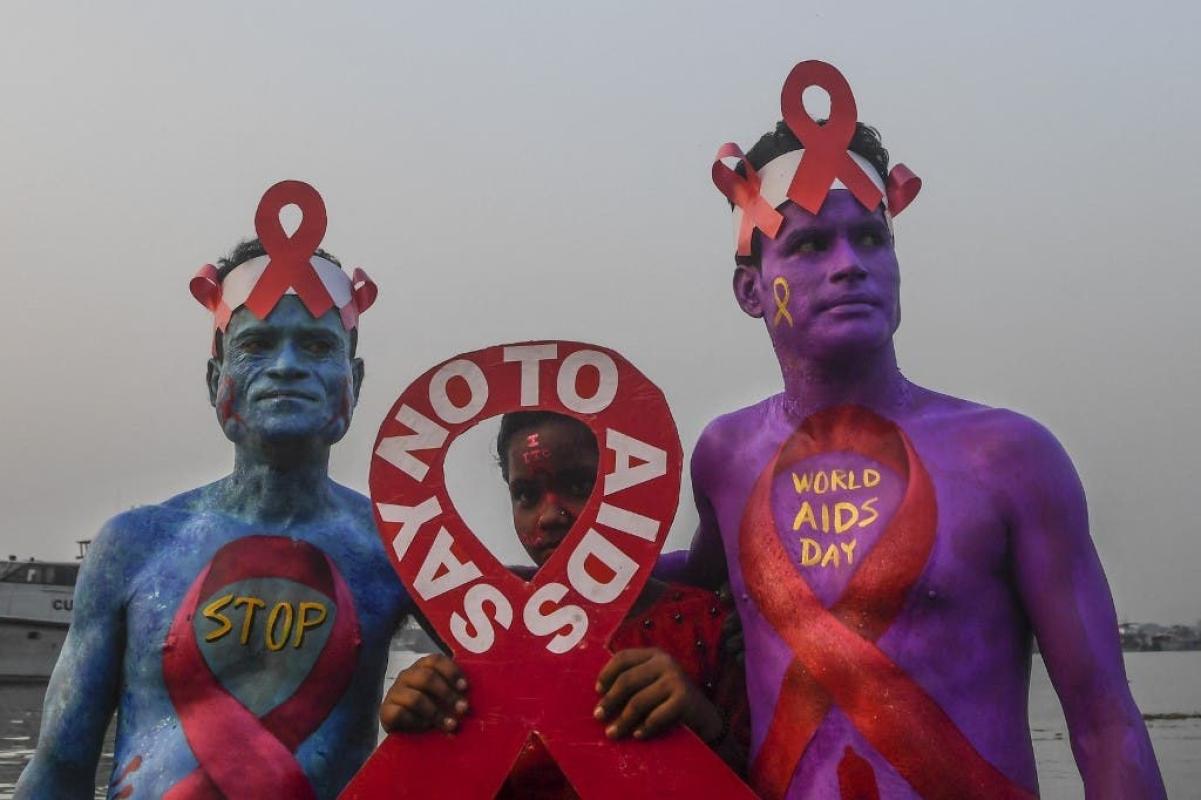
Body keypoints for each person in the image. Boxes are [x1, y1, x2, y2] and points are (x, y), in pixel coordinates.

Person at [667, 61, 1167, 798]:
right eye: (810, 246)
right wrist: (512, 586)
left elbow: (1102, 720)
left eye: (871, 239)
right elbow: (691, 584)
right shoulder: (725, 455)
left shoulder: (1007, 456)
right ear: (751, 289)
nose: (850, 266)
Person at [17, 182, 410, 799]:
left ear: (352, 381)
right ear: (215, 380)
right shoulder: (136, 545)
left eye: (316, 345)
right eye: (256, 345)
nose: (287, 366)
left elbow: (519, 677)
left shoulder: (394, 551)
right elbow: (60, 765)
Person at [380, 410, 747, 799]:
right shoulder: (486, 630)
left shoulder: (706, 624)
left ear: (630, 491)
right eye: (526, 495)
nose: (551, 516)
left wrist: (702, 722)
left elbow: (768, 779)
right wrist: (414, 737)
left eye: (579, 484)